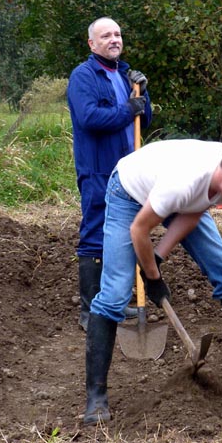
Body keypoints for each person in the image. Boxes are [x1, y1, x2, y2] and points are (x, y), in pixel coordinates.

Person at [84, 139, 222, 425]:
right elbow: (139, 230)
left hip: (173, 195)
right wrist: (152, 277)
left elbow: (193, 212)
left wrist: (158, 256)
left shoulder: (220, 178)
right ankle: (96, 398)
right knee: (114, 294)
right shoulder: (182, 183)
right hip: (129, 193)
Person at [67, 17, 152, 330]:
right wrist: (128, 109)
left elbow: (145, 115)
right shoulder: (83, 76)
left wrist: (143, 93)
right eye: (106, 36)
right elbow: (90, 117)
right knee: (95, 233)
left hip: (128, 171)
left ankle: (113, 301)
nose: (114, 39)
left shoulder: (127, 75)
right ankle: (90, 311)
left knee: (124, 232)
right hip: (98, 169)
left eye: (117, 34)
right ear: (92, 43)